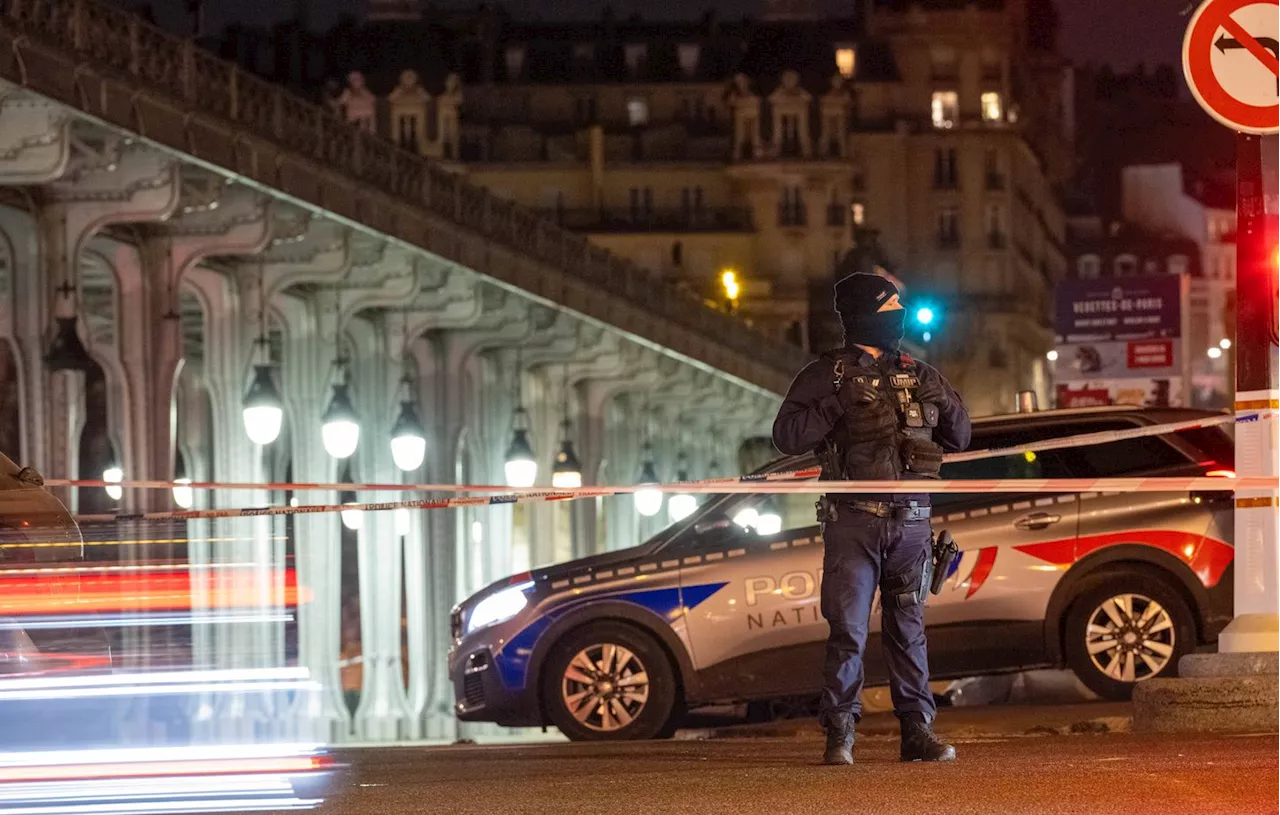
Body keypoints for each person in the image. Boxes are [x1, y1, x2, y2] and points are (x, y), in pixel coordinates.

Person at [772, 266, 971, 765]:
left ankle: (917, 732)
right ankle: (840, 734)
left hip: (911, 524)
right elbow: (787, 436)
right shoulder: (828, 373)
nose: (897, 317)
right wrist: (838, 404)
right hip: (854, 520)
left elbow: (961, 436)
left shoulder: (921, 372)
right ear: (861, 315)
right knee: (848, 630)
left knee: (909, 629)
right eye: (888, 309)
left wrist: (943, 400)